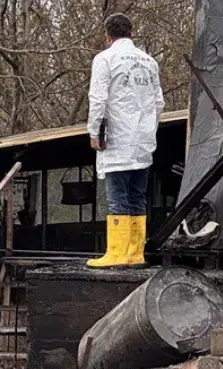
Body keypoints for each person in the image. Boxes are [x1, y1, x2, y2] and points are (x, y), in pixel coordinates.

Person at [86, 12, 164, 268]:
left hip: (118, 137)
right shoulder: (149, 62)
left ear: (107, 36)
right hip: (143, 139)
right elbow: (158, 102)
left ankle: (117, 253)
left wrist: (94, 131)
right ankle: (135, 253)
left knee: (118, 196)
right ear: (131, 34)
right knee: (137, 195)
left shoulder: (105, 59)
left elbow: (98, 99)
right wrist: (149, 130)